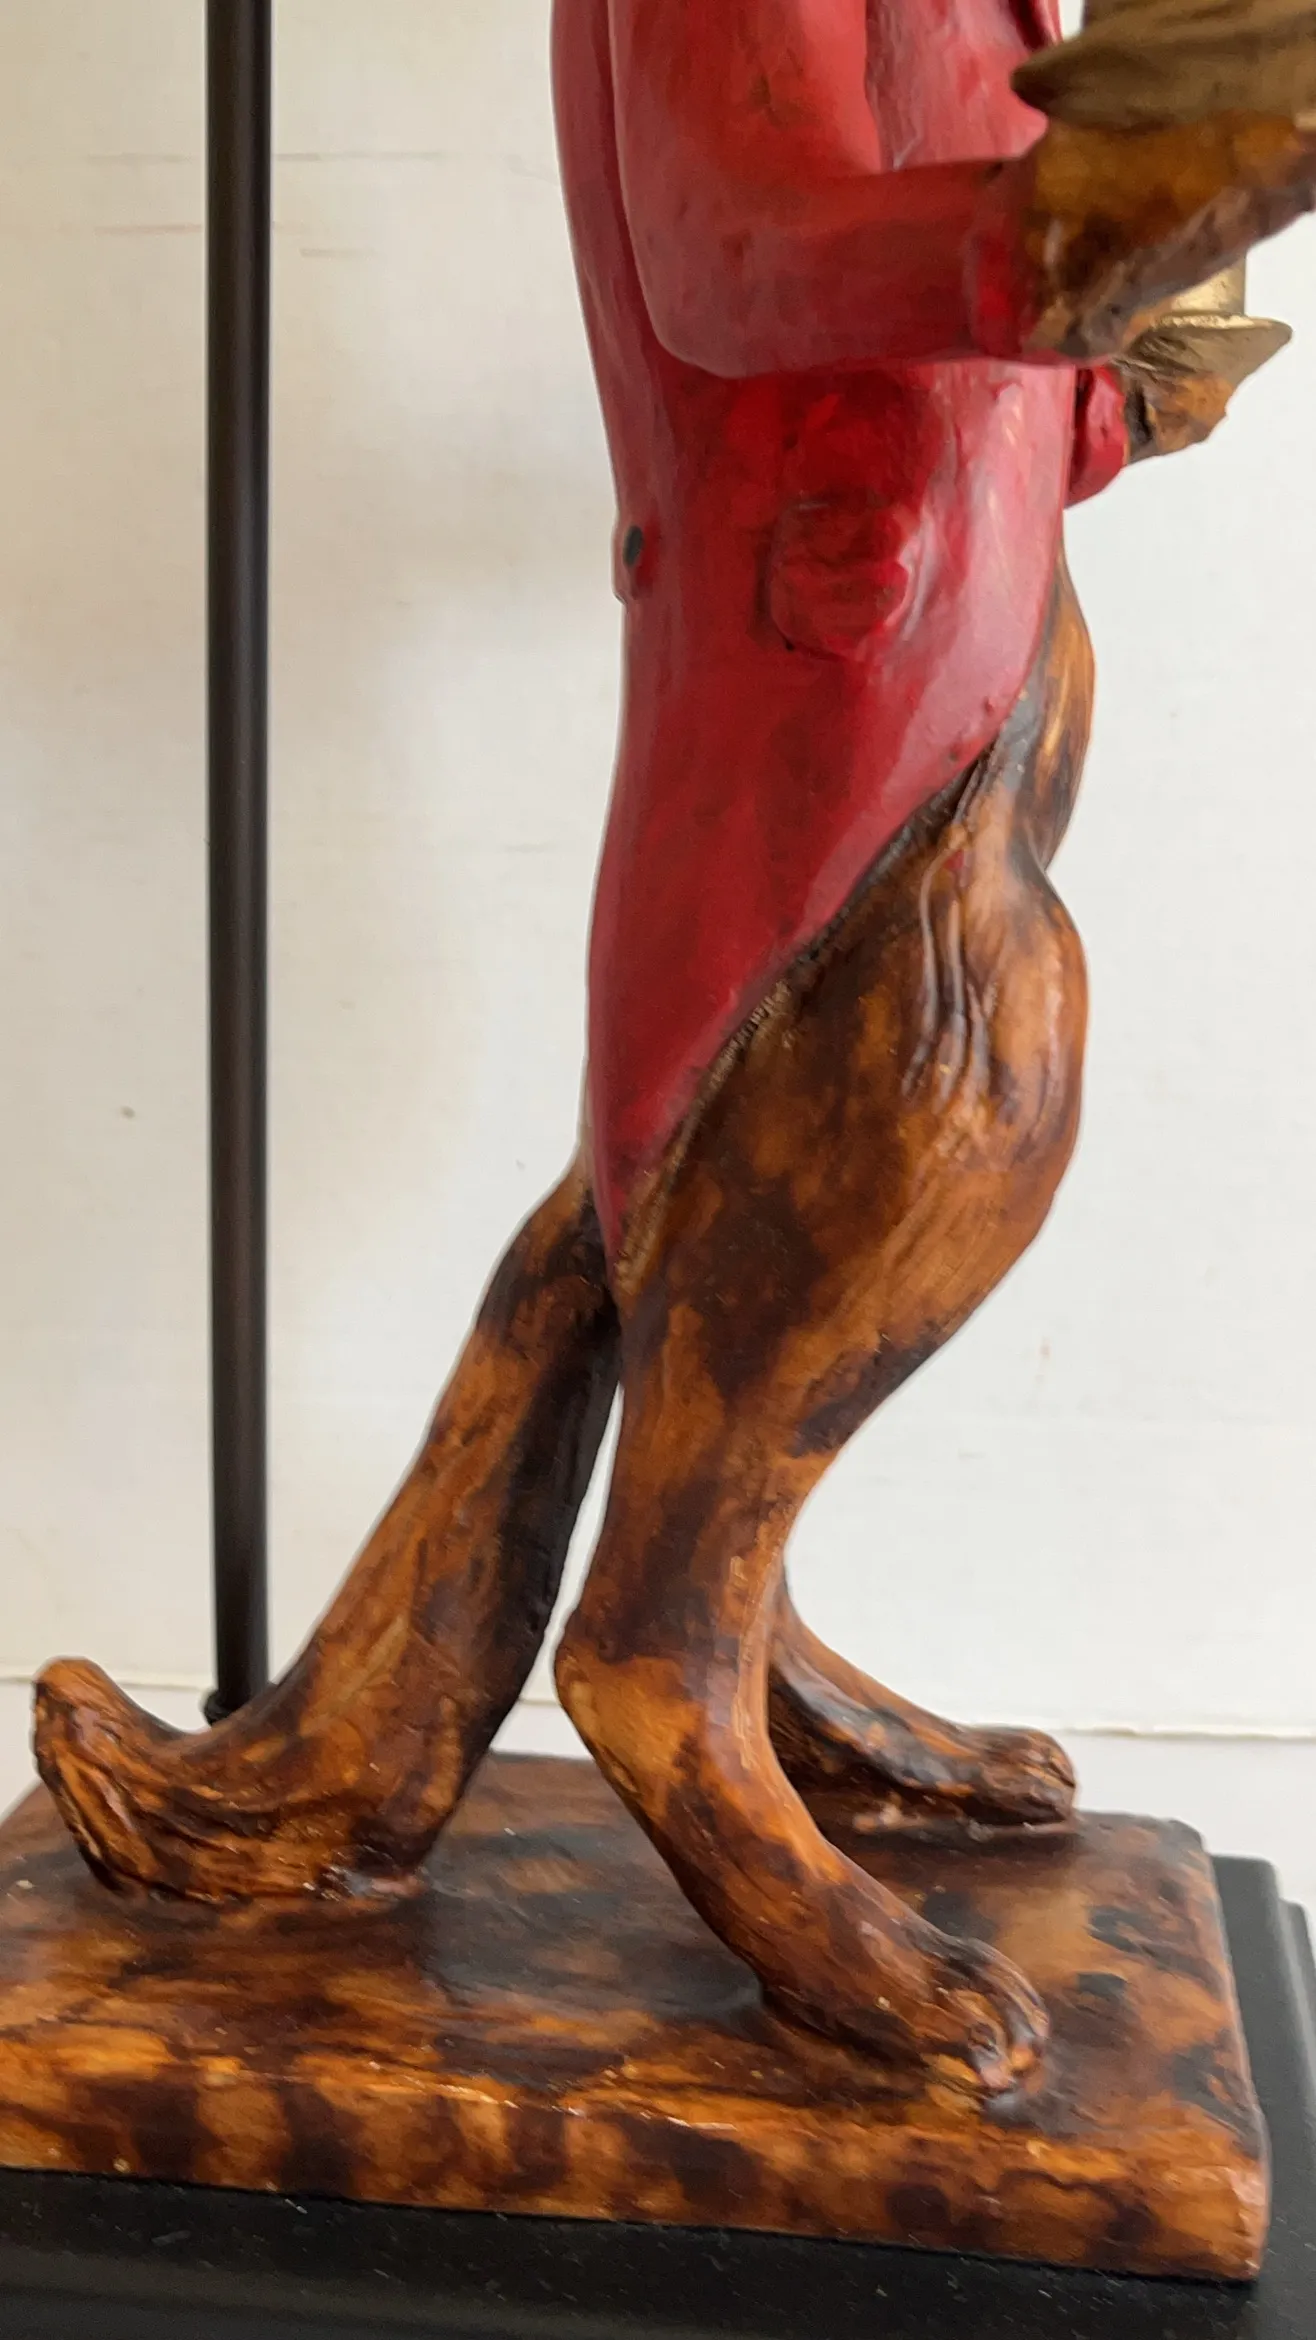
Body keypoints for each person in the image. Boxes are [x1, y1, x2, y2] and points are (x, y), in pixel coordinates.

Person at [36, 0, 1316, 2094]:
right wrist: (1089, 218)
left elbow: (1018, 362)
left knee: (709, 1220)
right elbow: (747, 251)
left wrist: (1132, 355)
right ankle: (668, 1678)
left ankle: (681, 1652)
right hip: (825, 681)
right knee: (942, 1098)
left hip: (959, 645)